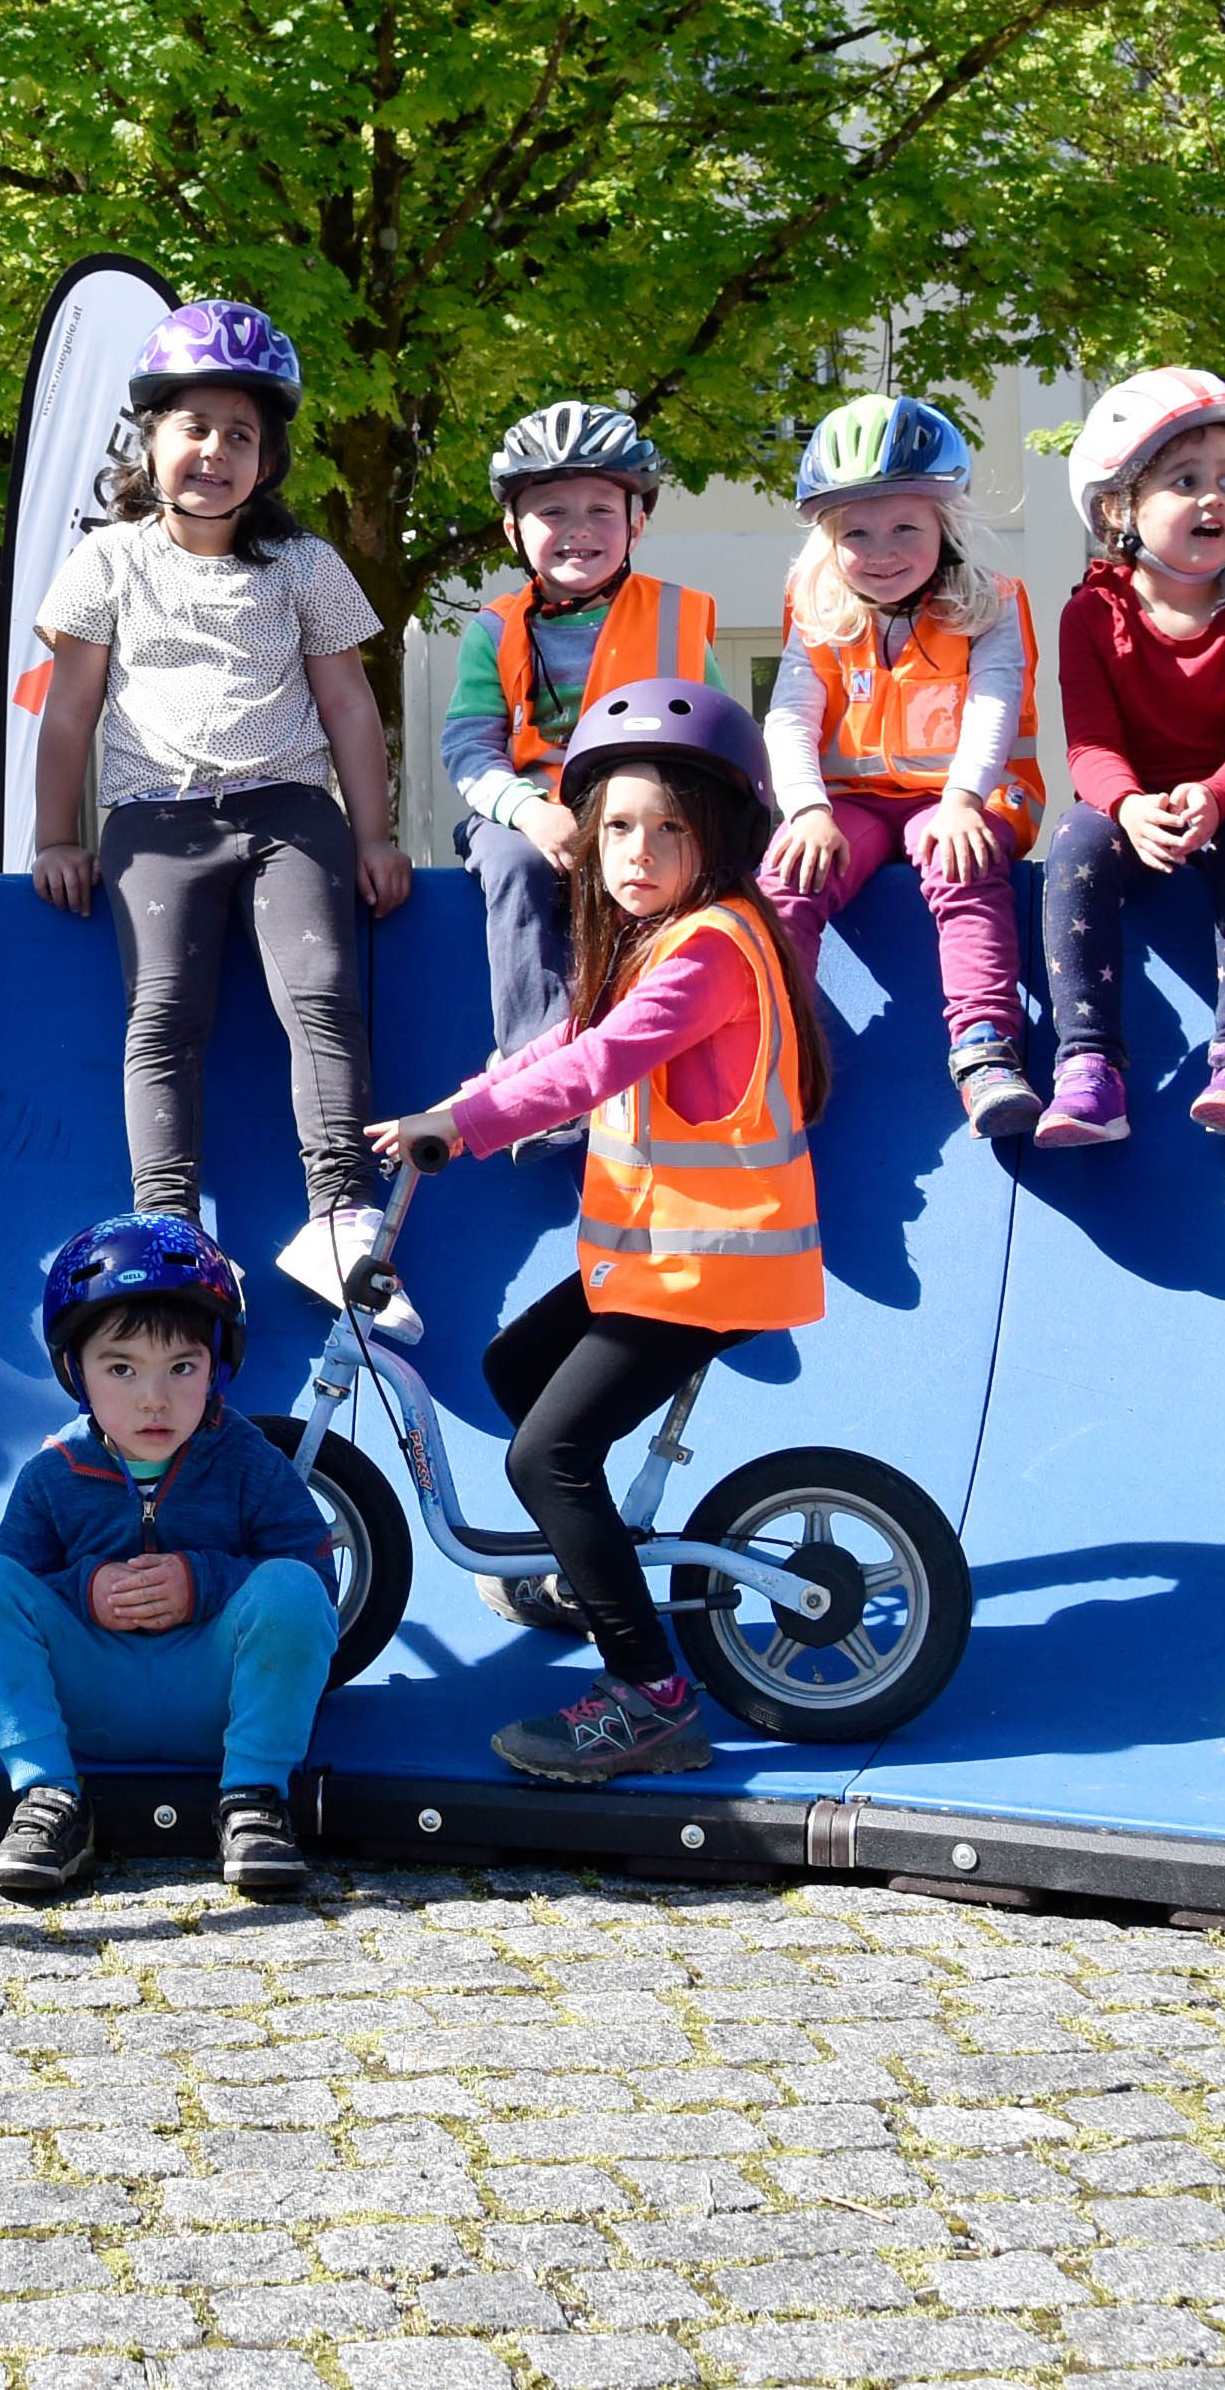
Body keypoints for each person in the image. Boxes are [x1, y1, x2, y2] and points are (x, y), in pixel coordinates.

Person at [369, 678, 830, 1783]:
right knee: (514, 1368)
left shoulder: (715, 943)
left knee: (548, 1454)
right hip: (654, 1259)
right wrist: (460, 1100)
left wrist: (465, 1129)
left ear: (719, 837)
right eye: (616, 826)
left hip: (709, 1268)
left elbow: (597, 1066)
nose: (636, 850)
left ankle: (653, 1695)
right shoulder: (653, 938)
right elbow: (564, 1040)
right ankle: (593, 1564)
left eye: (669, 829)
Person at [28, 300, 420, 1336]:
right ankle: (167, 1226)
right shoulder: (108, 562)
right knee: (162, 1013)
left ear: (269, 459)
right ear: (148, 439)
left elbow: (348, 707)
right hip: (154, 817)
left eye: (240, 435)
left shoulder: (303, 566)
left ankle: (338, 1213)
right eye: (192, 427)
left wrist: (375, 833)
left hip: (288, 810)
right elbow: (67, 708)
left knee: (323, 995)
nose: (213, 451)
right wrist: (54, 835)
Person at [0, 1214, 341, 1904]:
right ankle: (48, 1799)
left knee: (291, 1588)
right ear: (76, 1372)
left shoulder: (249, 1460)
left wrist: (203, 1583)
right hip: (90, 1706)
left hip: (217, 1705)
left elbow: (315, 1586)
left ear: (218, 1365)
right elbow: (19, 1597)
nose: (153, 1398)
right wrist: (85, 1591)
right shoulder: (54, 1472)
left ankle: (253, 1800)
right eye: (121, 1368)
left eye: (181, 1368)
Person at [759, 392, 1046, 1139]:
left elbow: (995, 703)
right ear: (827, 540)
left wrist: (961, 800)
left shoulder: (992, 604)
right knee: (787, 874)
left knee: (959, 857)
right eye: (856, 530)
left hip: (964, 795)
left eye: (904, 527)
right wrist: (806, 810)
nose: (881, 550)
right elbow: (790, 714)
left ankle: (985, 1046)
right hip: (852, 802)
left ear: (946, 526)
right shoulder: (817, 609)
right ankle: (772, 1041)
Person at [1036, 372, 1225, 1147]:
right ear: (1120, 510)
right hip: (1132, 809)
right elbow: (1088, 744)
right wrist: (1126, 806)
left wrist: (1216, 796)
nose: (1214, 498)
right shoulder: (1092, 612)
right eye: (1185, 482)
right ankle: (1088, 1064)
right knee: (1076, 840)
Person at [443, 403, 725, 1067]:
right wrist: (527, 814)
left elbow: (717, 736)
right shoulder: (492, 629)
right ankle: (535, 1064)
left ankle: (664, 1041)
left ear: (637, 522)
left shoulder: (679, 618)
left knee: (686, 871)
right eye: (552, 512)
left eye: (601, 509)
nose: (579, 530)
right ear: (513, 528)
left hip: (643, 814)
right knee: (511, 865)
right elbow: (469, 746)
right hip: (532, 814)